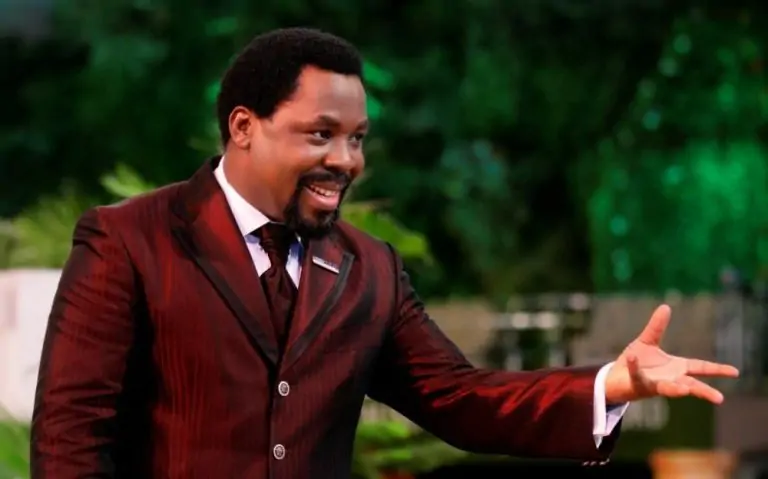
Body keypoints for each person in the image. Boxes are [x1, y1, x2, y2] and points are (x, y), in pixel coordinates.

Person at [30, 28, 739, 479]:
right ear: (243, 127)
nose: (347, 160)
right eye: (321, 134)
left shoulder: (369, 269)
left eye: (358, 138)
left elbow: (460, 400)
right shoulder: (128, 241)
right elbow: (69, 442)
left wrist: (610, 385)